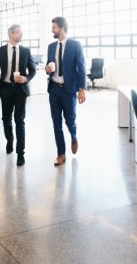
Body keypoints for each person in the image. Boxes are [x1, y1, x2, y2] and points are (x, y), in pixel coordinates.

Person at [0, 24, 36, 167]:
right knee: (6, 119)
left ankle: (20, 153)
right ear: (10, 34)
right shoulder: (0, 51)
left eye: (21, 32)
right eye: (18, 32)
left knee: (20, 120)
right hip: (6, 89)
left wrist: (26, 79)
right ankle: (10, 140)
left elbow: (33, 70)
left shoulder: (26, 51)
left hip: (20, 89)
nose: (21, 35)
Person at [45, 16, 86, 166]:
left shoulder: (75, 45)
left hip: (69, 91)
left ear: (62, 28)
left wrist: (82, 89)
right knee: (56, 123)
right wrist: (47, 69)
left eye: (54, 27)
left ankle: (73, 136)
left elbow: (81, 67)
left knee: (70, 121)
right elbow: (47, 66)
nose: (52, 30)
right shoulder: (51, 46)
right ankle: (61, 153)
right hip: (54, 88)